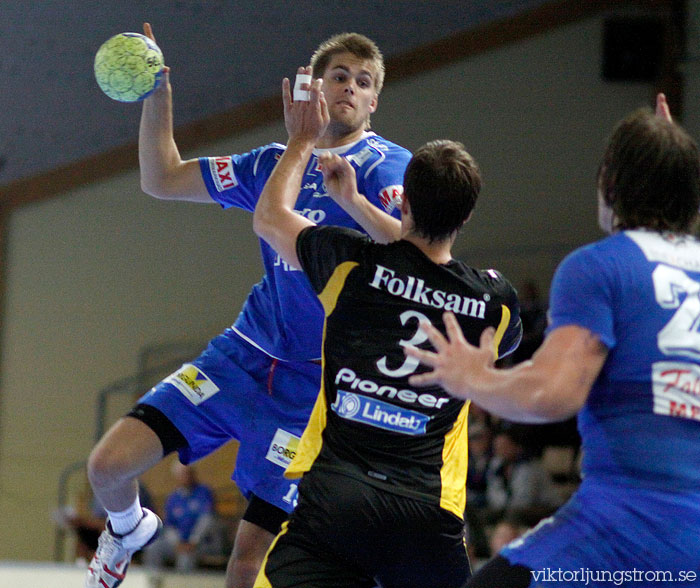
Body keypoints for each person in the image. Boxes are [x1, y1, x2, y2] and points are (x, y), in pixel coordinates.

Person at [85, 25, 412, 588]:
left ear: (375, 100)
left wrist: (352, 203)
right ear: (311, 87)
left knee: (246, 566)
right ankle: (126, 530)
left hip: (311, 391)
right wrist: (157, 96)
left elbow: (411, 254)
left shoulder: (388, 165)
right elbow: (161, 178)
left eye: (363, 82)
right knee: (106, 467)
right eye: (339, 76)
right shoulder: (273, 162)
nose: (350, 89)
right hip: (240, 357)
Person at [405, 93, 700, 587]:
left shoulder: (601, 267)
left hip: (625, 535)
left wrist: (475, 377)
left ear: (609, 184)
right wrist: (667, 154)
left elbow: (552, 393)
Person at [250, 72, 522, 588]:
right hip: (426, 517)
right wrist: (359, 205)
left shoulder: (348, 265)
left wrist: (303, 139)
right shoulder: (494, 302)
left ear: (403, 202)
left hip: (336, 502)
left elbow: (269, 217)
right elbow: (429, 265)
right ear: (466, 217)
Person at [143, 463, 225, 572]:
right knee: (153, 548)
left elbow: (207, 520)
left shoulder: (204, 493)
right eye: (182, 474)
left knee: (185, 556)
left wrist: (193, 541)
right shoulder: (173, 498)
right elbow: (169, 526)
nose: (186, 477)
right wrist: (177, 543)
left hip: (201, 543)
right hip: (179, 542)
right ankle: (154, 581)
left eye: (188, 473)